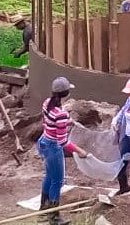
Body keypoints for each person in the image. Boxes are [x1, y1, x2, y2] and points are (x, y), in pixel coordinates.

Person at [38, 77, 90, 225]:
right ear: (66, 94)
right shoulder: (61, 114)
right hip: (53, 147)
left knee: (48, 176)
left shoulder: (47, 103)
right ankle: (54, 217)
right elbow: (63, 142)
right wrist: (80, 150)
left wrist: (68, 122)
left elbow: (50, 121)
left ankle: (44, 208)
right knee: (57, 181)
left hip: (44, 141)